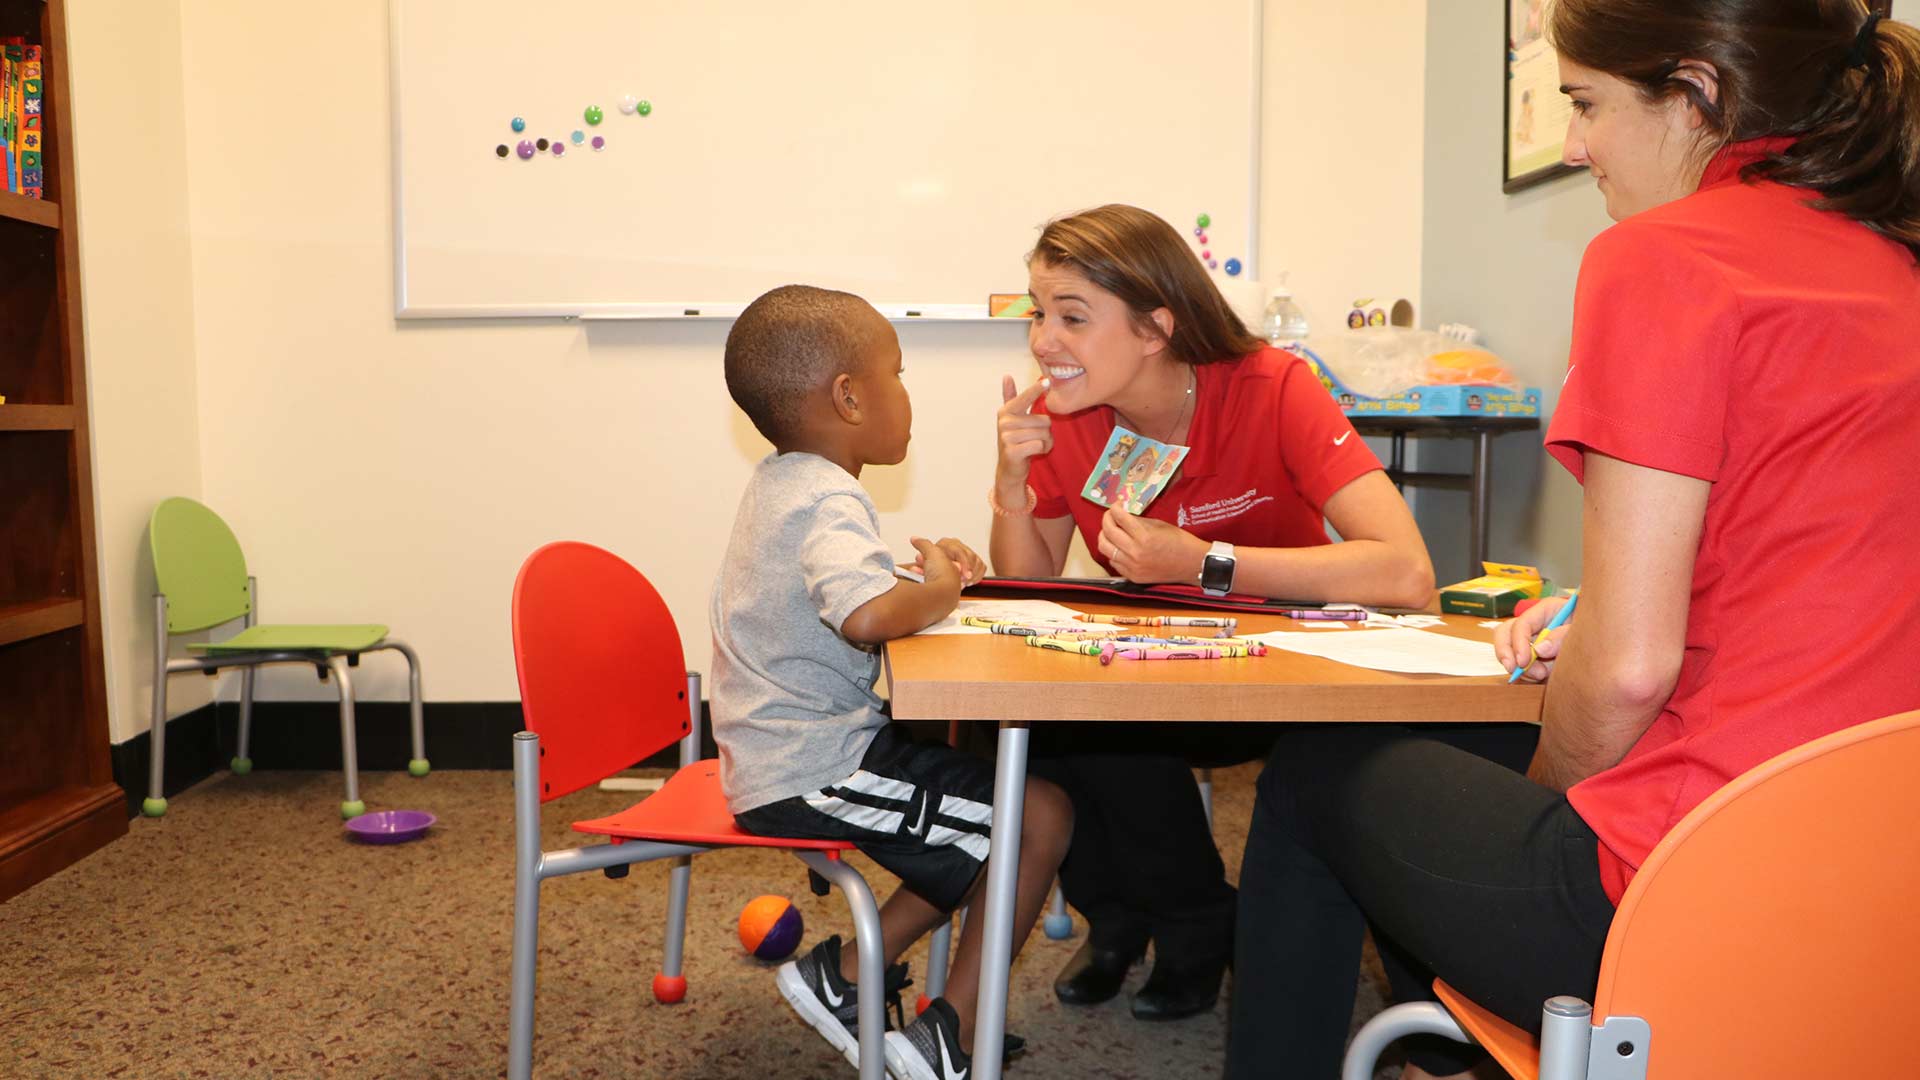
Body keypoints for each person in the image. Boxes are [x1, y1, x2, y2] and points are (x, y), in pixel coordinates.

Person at [1227, 3, 1920, 1077]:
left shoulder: (1668, 258)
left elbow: (1633, 671)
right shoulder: (1892, 258)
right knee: (1461, 773)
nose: (1574, 145)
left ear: (1698, 92)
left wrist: (1547, 797)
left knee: (1318, 770)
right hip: (1881, 885)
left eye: (1588, 104)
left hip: (1705, 892)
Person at [987, 204, 1435, 1020]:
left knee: (1111, 733)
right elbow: (1028, 594)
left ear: (1156, 326)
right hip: (1157, 669)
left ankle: (1195, 923)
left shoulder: (1273, 386)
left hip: (1283, 677)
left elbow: (1407, 573)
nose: (1042, 339)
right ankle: (1124, 917)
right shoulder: (1065, 418)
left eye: (1071, 317)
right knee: (1043, 709)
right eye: (1037, 312)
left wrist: (1205, 564)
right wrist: (1013, 486)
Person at [711, 284, 1074, 1080]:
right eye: (898, 373)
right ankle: (952, 1036)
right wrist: (938, 591)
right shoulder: (825, 495)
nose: (907, 394)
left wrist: (927, 573)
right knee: (1035, 819)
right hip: (812, 767)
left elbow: (849, 590)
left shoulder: (789, 482)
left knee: (1016, 815)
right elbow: (868, 618)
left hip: (798, 749)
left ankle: (841, 974)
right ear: (847, 397)